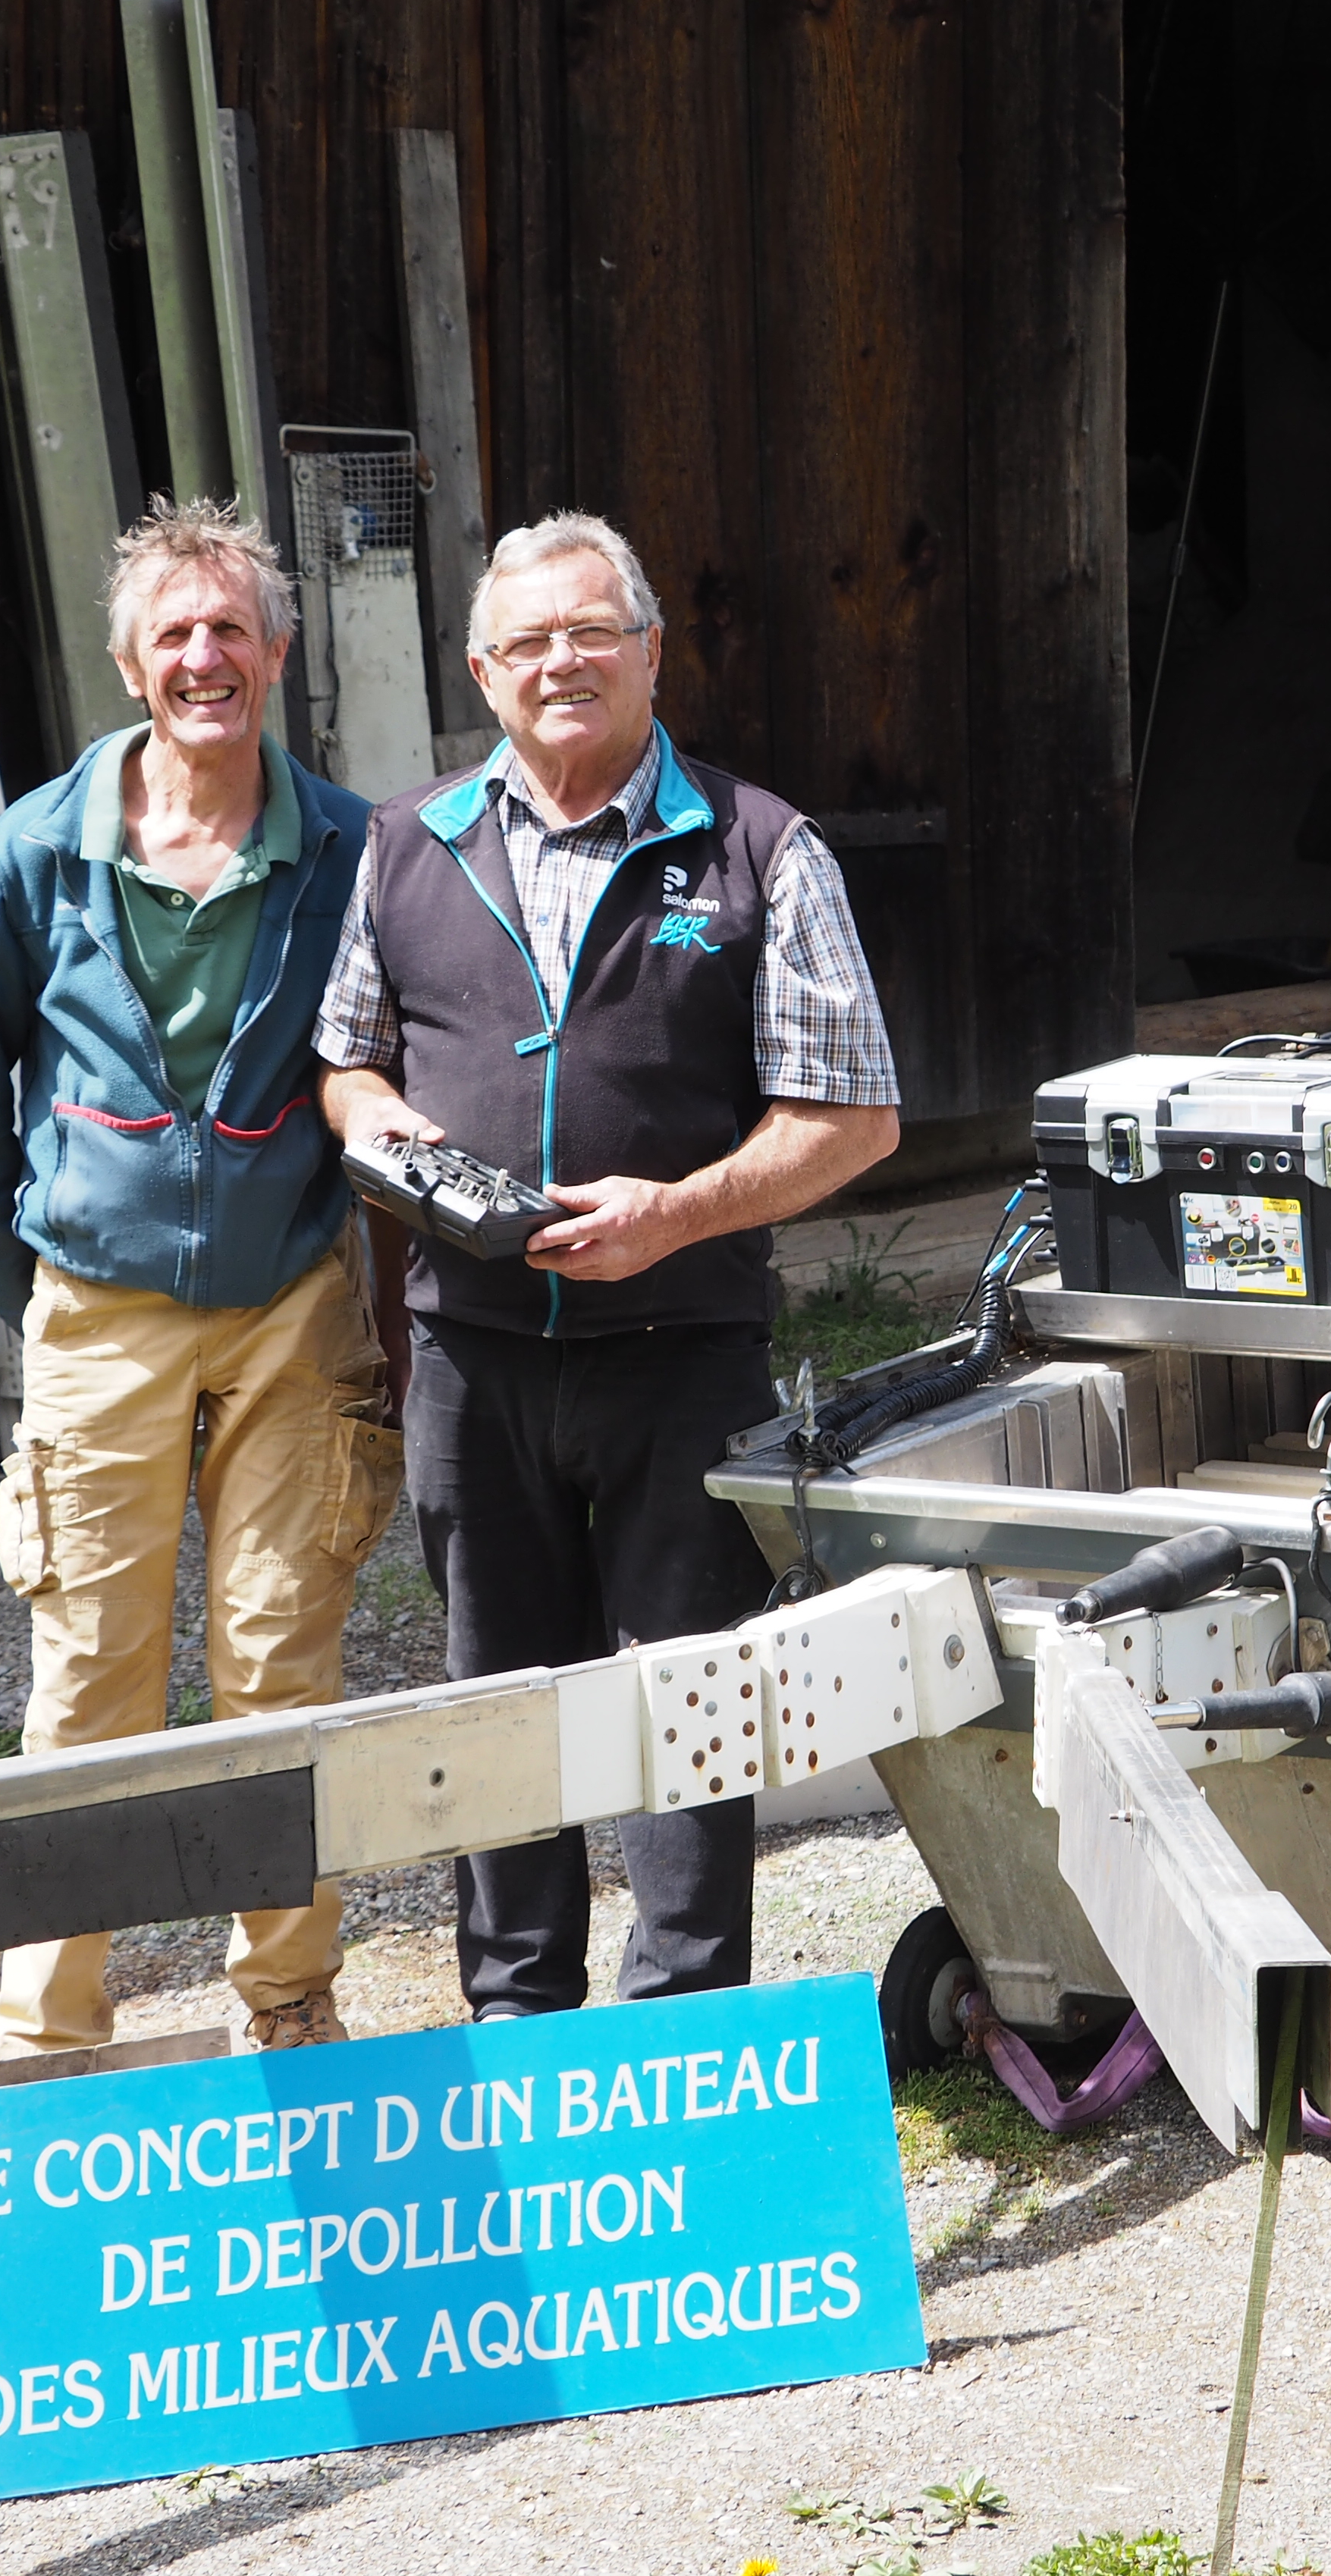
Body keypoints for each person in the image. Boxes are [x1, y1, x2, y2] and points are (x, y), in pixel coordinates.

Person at [315, 510, 898, 2017]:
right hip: (474, 1352)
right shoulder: (405, 844)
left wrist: (679, 1213)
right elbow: (346, 1068)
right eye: (527, 642)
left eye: (591, 632)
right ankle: (515, 2015)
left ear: (651, 649)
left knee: (685, 1704)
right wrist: (407, 1160)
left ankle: (679, 2030)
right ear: (481, 670)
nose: (559, 663)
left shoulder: (764, 845)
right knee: (496, 1705)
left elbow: (853, 1119)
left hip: (680, 1350)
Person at [0, 500, 391, 2057]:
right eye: (173, 634)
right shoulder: (41, 851)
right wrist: (47, 1288)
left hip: (294, 1314)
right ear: (129, 664)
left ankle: (290, 2007)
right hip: (98, 1318)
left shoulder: (351, 850)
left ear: (280, 655)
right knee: (92, 1677)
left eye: (231, 629)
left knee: (279, 1667)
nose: (204, 658)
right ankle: (50, 2032)